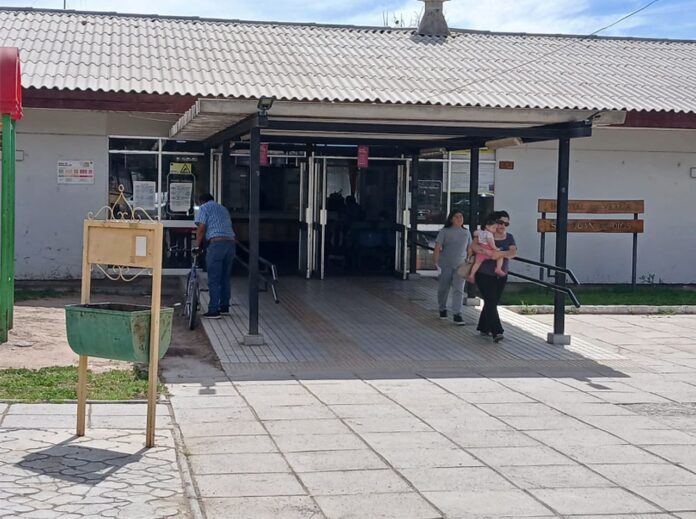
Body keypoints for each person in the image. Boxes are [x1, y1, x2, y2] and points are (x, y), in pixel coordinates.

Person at [472, 210, 517, 342]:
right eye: (500, 222)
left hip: (501, 275)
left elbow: (513, 252)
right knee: (491, 301)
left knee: (491, 302)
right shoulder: (484, 234)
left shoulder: (509, 237)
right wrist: (486, 252)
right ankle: (497, 331)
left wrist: (500, 254)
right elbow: (473, 246)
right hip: (484, 274)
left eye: (506, 223)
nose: (503, 226)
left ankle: (483, 326)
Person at [195, 193, 236, 319]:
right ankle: (224, 306)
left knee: (214, 278)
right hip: (230, 243)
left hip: (216, 244)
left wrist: (197, 245)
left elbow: (201, 227)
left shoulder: (204, 208)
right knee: (225, 277)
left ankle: (214, 310)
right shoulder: (223, 208)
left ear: (201, 201)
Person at [433, 209, 472, 325]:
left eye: (461, 216)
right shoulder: (444, 231)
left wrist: (469, 259)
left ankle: (457, 314)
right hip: (445, 264)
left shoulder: (466, 232)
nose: (459, 219)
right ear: (451, 219)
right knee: (443, 288)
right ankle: (442, 308)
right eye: (456, 216)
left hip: (461, 265)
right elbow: (437, 247)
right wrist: (435, 262)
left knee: (459, 289)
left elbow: (469, 248)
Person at [467, 217, 505, 283]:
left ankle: (471, 275)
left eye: (495, 228)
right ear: (487, 226)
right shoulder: (489, 234)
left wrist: (479, 232)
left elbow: (474, 233)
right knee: (500, 256)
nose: (495, 230)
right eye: (493, 228)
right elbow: (491, 244)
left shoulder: (480, 232)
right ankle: (498, 268)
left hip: (480, 250)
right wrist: (497, 248)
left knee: (477, 263)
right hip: (488, 249)